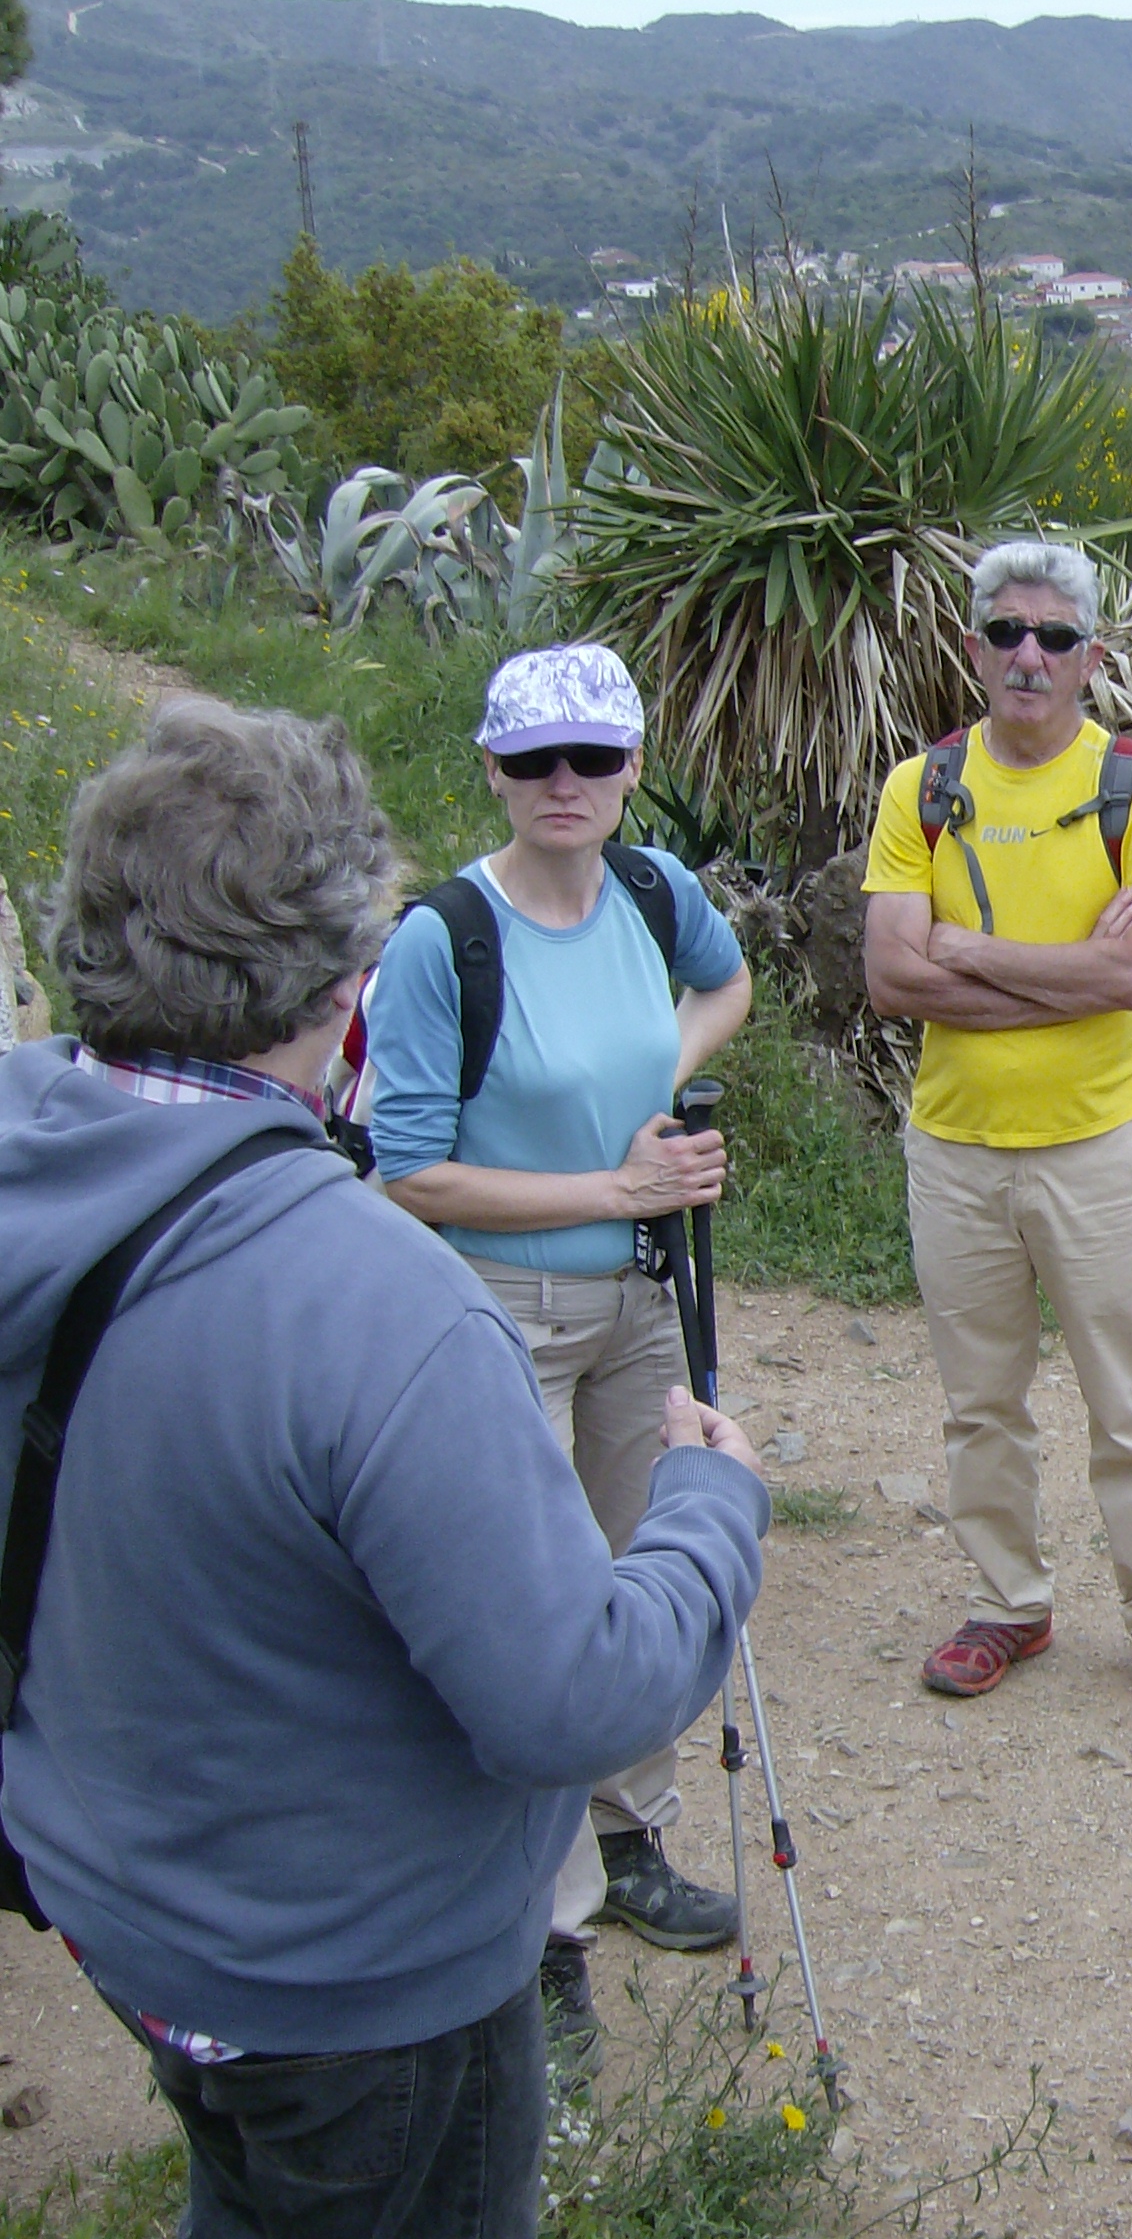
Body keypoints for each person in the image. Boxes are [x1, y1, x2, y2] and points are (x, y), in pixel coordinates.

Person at [4, 698, 768, 2237]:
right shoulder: (378, 1305)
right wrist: (709, 1508)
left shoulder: (34, 1162)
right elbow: (571, 1700)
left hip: (121, 1912)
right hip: (353, 1986)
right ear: (352, 981)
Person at [362, 641, 755, 2063]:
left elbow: (727, 983)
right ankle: (547, 1926)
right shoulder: (444, 939)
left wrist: (658, 1077)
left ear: (634, 765)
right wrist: (616, 1184)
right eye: (533, 759)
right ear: (493, 769)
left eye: (591, 755)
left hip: (645, 1298)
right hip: (499, 1309)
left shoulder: (654, 892)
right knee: (531, 1610)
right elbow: (407, 1172)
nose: (563, 782)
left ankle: (631, 1831)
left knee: (644, 1562)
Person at [863, 537, 1132, 1720]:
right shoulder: (920, 788)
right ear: (973, 648)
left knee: (1131, 1395)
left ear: (1092, 657)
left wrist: (966, 948)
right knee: (981, 1398)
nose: (1029, 655)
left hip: (1095, 1144)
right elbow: (891, 978)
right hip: (956, 1147)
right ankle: (1007, 1603)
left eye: (1055, 636)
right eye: (1007, 632)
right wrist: (1064, 973)